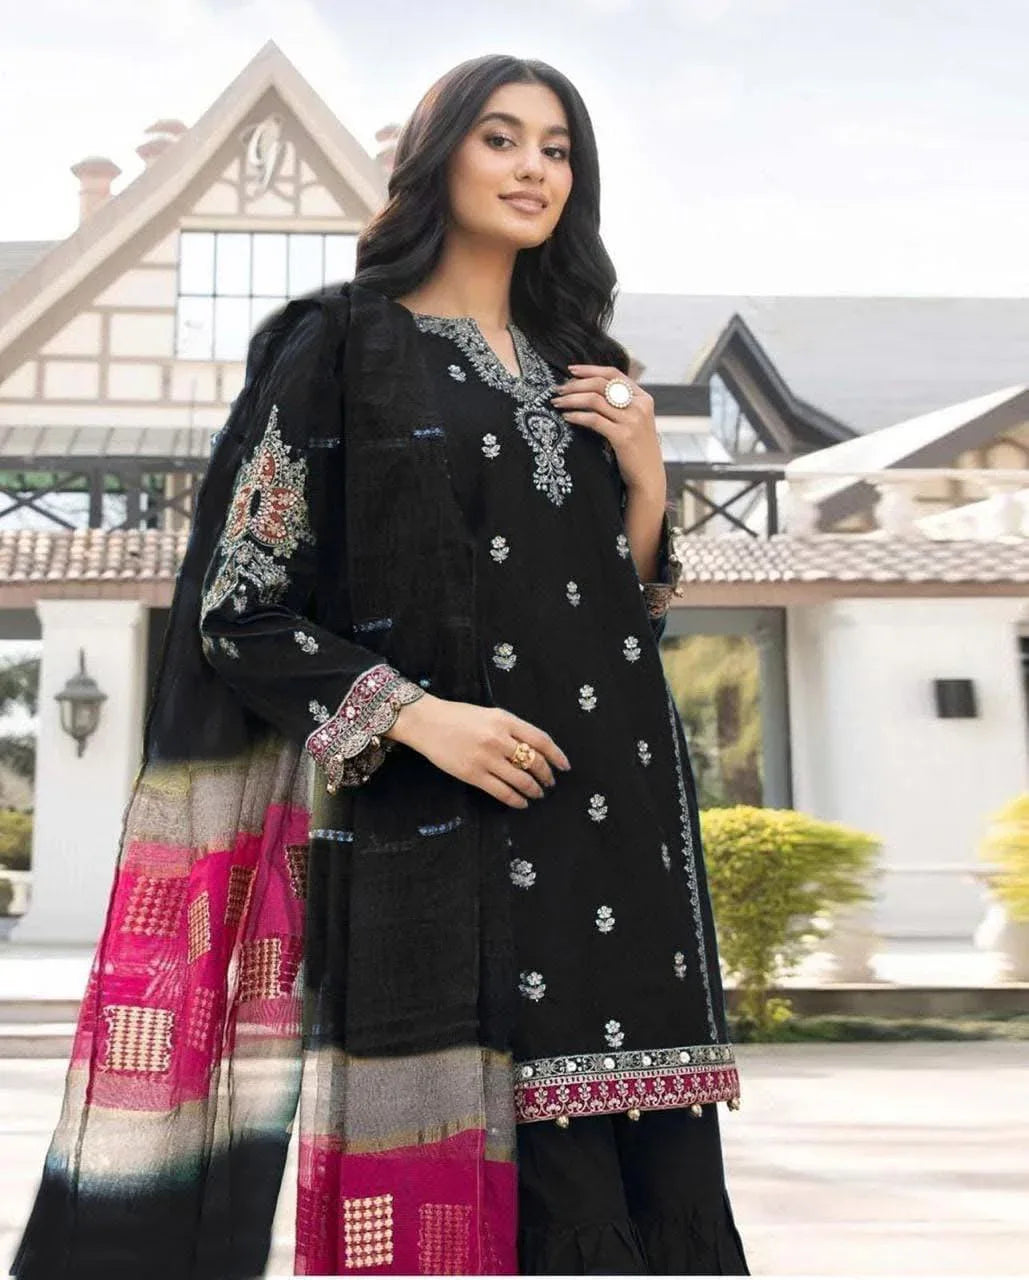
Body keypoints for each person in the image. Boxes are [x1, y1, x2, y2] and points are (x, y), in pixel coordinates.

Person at [12, 54, 748, 1277]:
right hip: (455, 846)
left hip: (627, 856)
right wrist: (418, 718)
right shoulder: (344, 348)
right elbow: (239, 609)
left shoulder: (580, 361)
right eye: (501, 139)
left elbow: (614, 623)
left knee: (650, 1185)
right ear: (439, 157)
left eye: (556, 148)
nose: (532, 168)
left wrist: (650, 478)